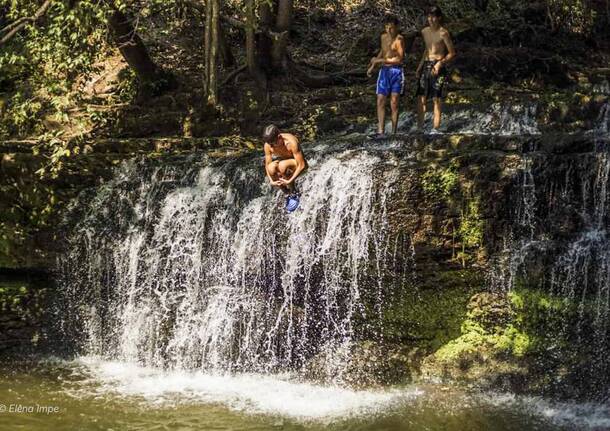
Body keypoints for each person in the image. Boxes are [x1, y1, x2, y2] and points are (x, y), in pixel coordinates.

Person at [416, 6, 456, 134]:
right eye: (429, 17)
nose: (431, 19)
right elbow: (427, 50)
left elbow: (452, 53)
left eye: (433, 17)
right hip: (426, 65)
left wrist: (440, 63)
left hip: (438, 66)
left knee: (436, 97)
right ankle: (420, 128)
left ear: (439, 18)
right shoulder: (424, 31)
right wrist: (419, 67)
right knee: (421, 96)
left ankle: (436, 128)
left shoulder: (444, 33)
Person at [367, 15, 405, 137]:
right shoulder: (383, 37)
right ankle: (381, 132)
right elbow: (382, 51)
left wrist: (380, 60)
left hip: (396, 72)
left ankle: (394, 132)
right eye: (387, 27)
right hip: (384, 72)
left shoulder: (400, 39)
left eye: (392, 28)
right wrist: (373, 65)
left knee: (394, 102)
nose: (389, 30)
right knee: (380, 100)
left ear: (397, 27)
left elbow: (399, 59)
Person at [262, 124, 308, 211]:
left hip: (297, 164)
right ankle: (287, 193)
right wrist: (271, 181)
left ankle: (294, 192)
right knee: (271, 168)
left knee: (282, 166)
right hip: (284, 162)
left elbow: (302, 165)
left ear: (279, 137)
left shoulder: (291, 142)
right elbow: (267, 164)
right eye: (269, 144)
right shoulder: (268, 145)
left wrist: (290, 180)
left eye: (273, 143)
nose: (271, 146)